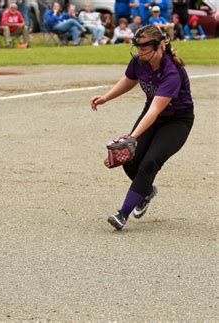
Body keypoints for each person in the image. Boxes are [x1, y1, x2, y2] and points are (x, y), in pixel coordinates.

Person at [90, 25, 194, 230]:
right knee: (130, 160)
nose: (139, 52)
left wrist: (132, 138)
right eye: (137, 47)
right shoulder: (140, 61)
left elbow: (155, 110)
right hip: (151, 115)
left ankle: (122, 214)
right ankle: (145, 191)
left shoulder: (172, 71)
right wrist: (106, 97)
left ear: (159, 46)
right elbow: (129, 80)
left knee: (149, 162)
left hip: (176, 122)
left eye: (144, 48)